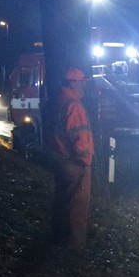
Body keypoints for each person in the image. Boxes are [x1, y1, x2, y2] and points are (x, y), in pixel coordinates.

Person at [47, 67, 94, 251]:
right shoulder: (73, 105)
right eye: (81, 82)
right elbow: (79, 137)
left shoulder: (59, 100)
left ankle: (59, 238)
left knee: (62, 200)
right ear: (73, 83)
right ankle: (74, 245)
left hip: (60, 159)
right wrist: (86, 161)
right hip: (75, 163)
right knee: (77, 205)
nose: (84, 85)